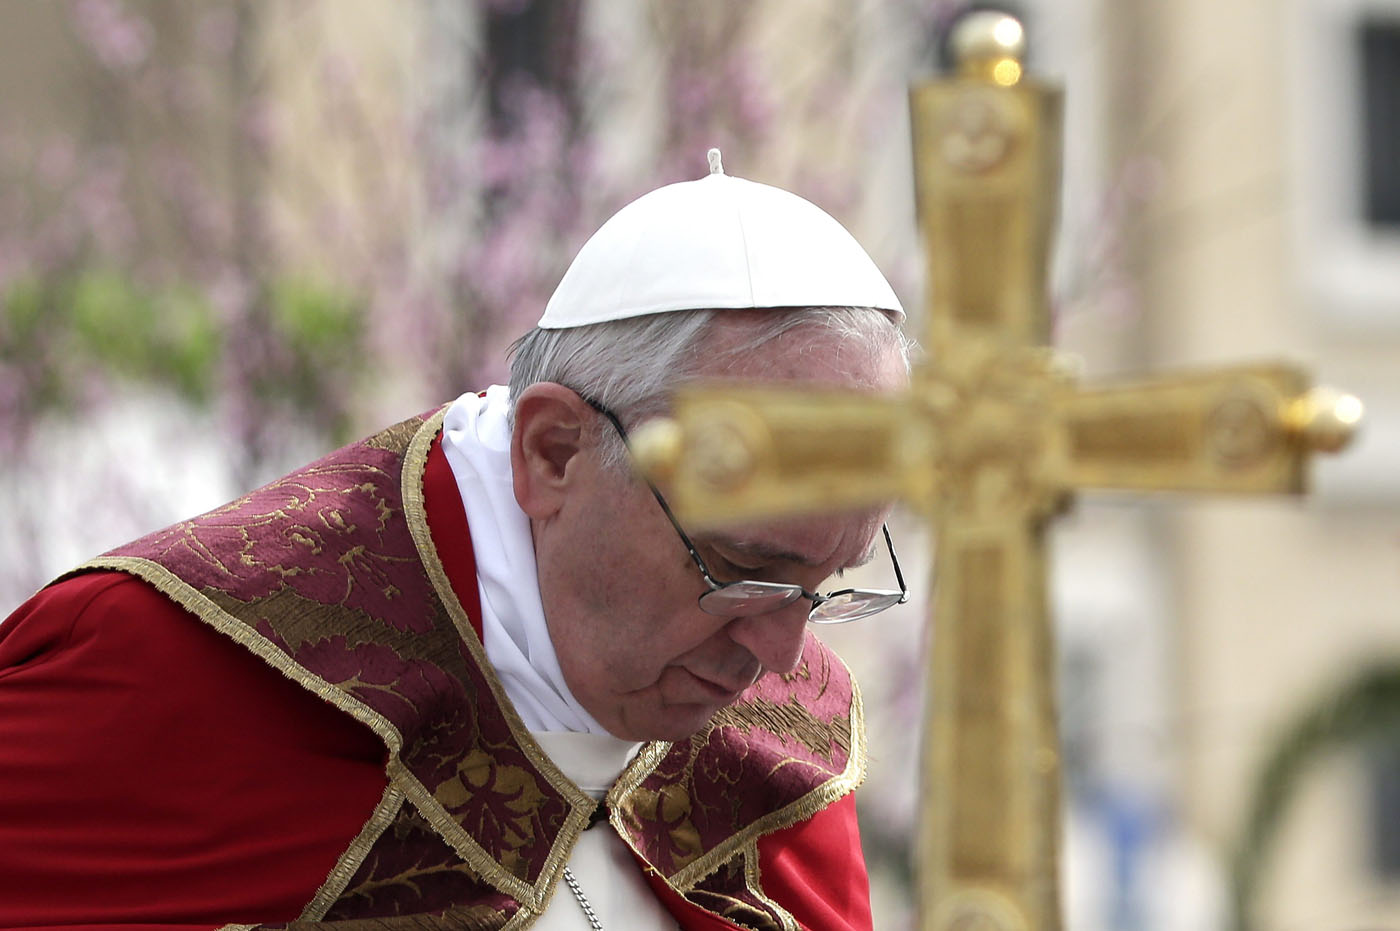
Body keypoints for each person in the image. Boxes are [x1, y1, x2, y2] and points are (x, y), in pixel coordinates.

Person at [0, 150, 910, 930]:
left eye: (826, 582)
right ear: (552, 451)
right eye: (745, 569)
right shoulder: (193, 661)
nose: (782, 654)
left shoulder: (786, 748)